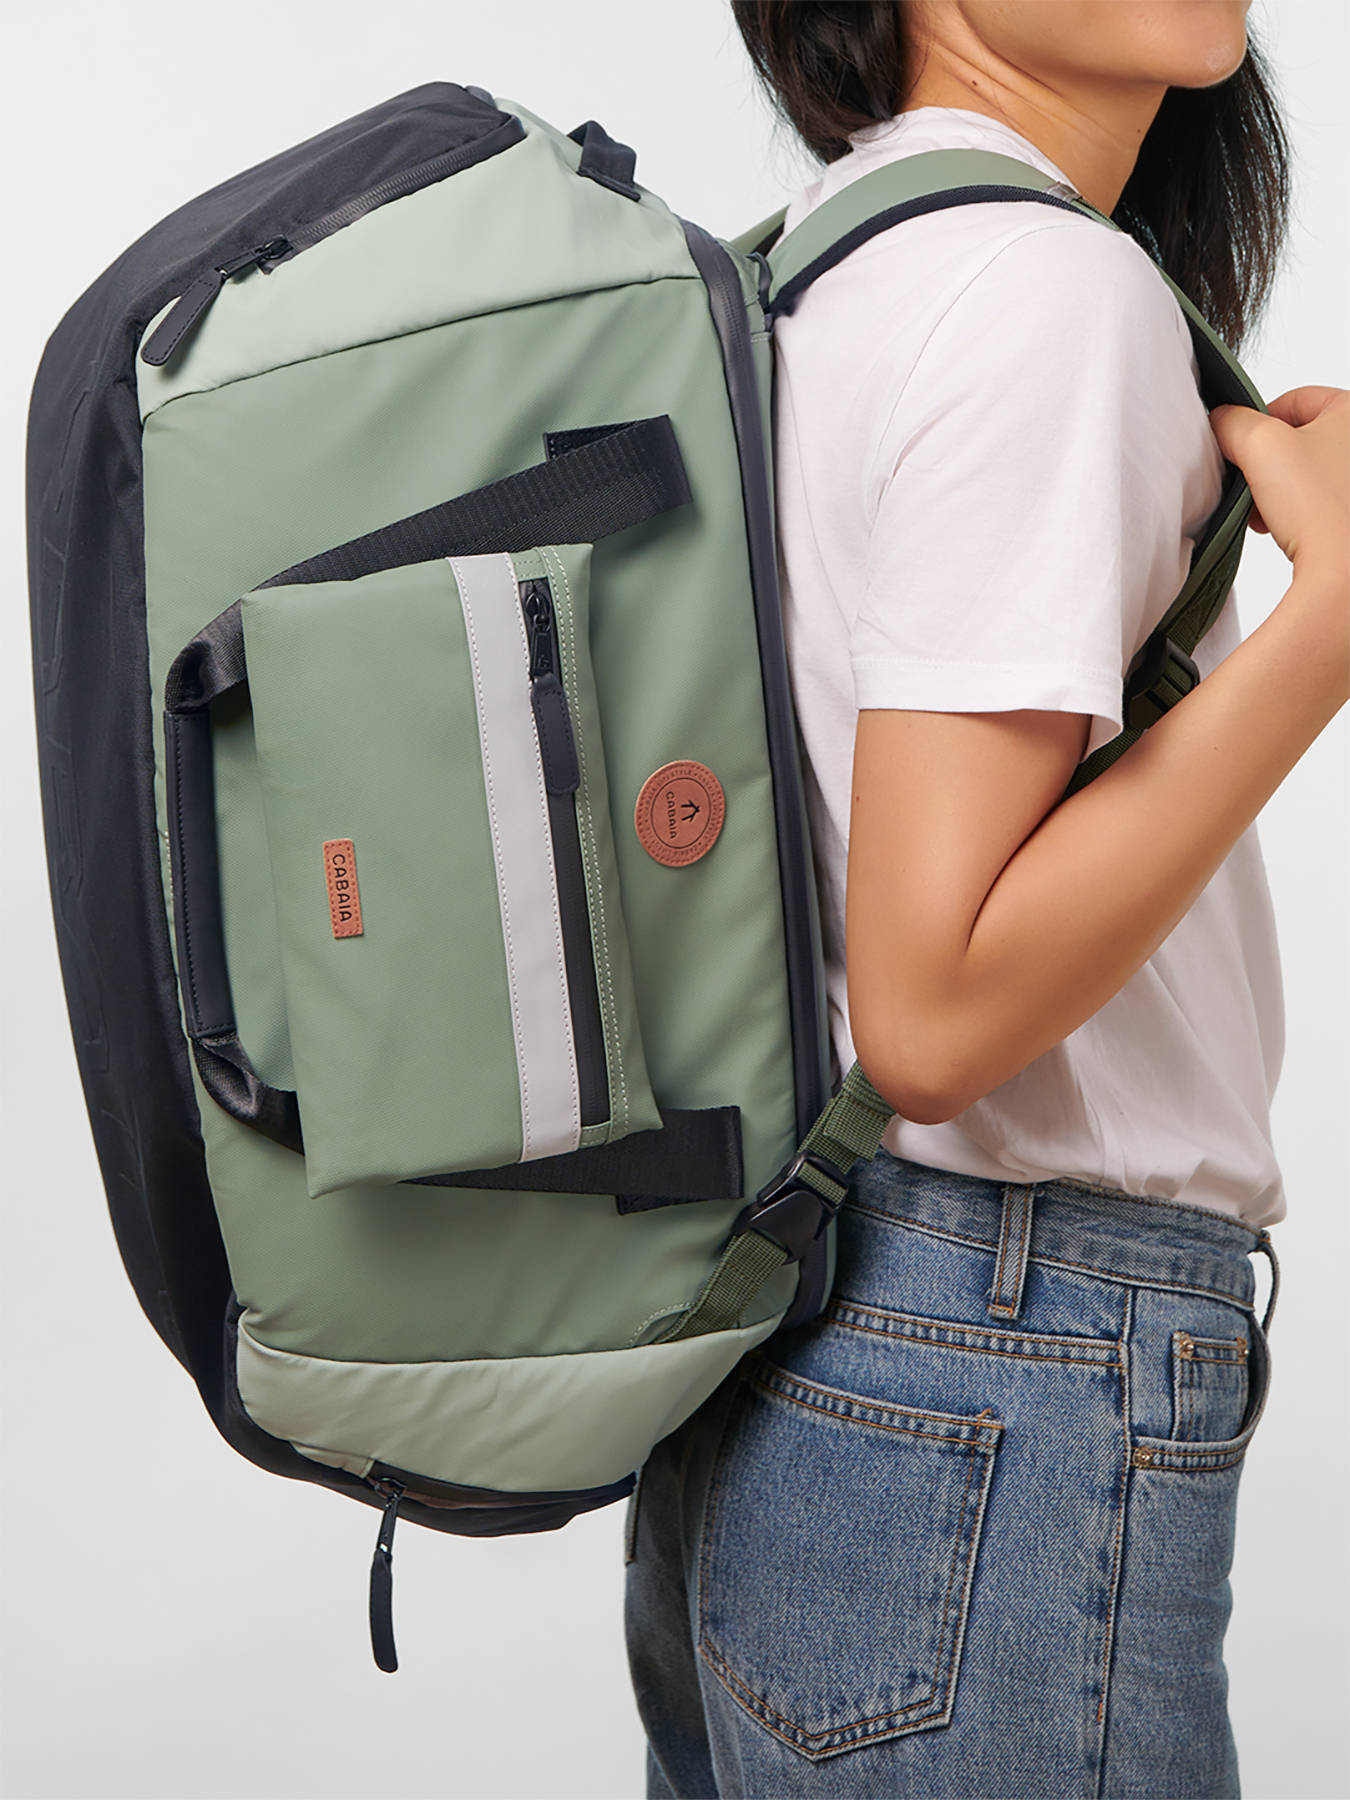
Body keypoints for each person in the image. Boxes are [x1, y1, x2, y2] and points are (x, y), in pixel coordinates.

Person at [623, 3, 1349, 1795]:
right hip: (996, 1352)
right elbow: (934, 1010)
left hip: (804, 1330)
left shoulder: (816, 267)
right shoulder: (1039, 290)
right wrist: (1328, 630)